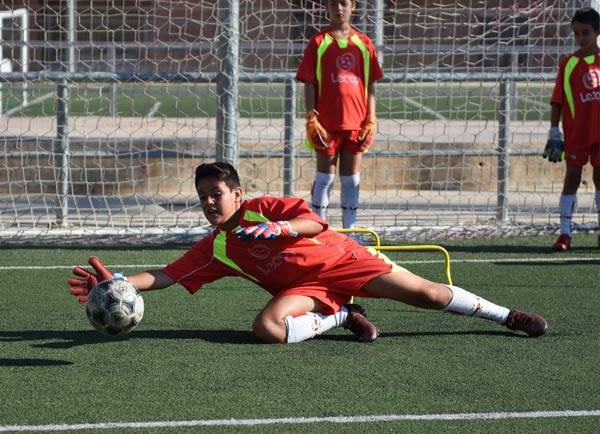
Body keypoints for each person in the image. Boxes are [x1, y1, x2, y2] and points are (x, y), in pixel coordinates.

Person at [69, 162, 548, 343]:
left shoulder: (262, 211)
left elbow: (314, 222)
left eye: (217, 192)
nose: (209, 202)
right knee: (266, 328)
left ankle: (507, 317)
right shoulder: (216, 247)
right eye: (203, 196)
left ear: (238, 193)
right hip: (305, 290)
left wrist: (278, 227)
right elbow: (169, 275)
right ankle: (339, 316)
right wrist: (121, 285)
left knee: (427, 295)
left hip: (345, 260)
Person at [295, 0, 384, 229]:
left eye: (344, 3)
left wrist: (371, 118)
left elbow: (370, 84)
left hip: (357, 124)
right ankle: (318, 230)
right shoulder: (318, 43)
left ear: (353, 6)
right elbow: (309, 83)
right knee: (325, 178)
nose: (339, 8)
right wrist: (312, 118)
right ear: (326, 7)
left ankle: (350, 231)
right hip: (327, 124)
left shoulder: (364, 44)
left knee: (351, 179)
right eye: (333, 4)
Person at [543, 7, 600, 251]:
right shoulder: (568, 64)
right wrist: (554, 130)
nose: (580, 37)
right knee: (572, 179)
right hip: (577, 132)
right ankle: (565, 233)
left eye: (585, 32)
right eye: (576, 33)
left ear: (597, 32)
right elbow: (557, 100)